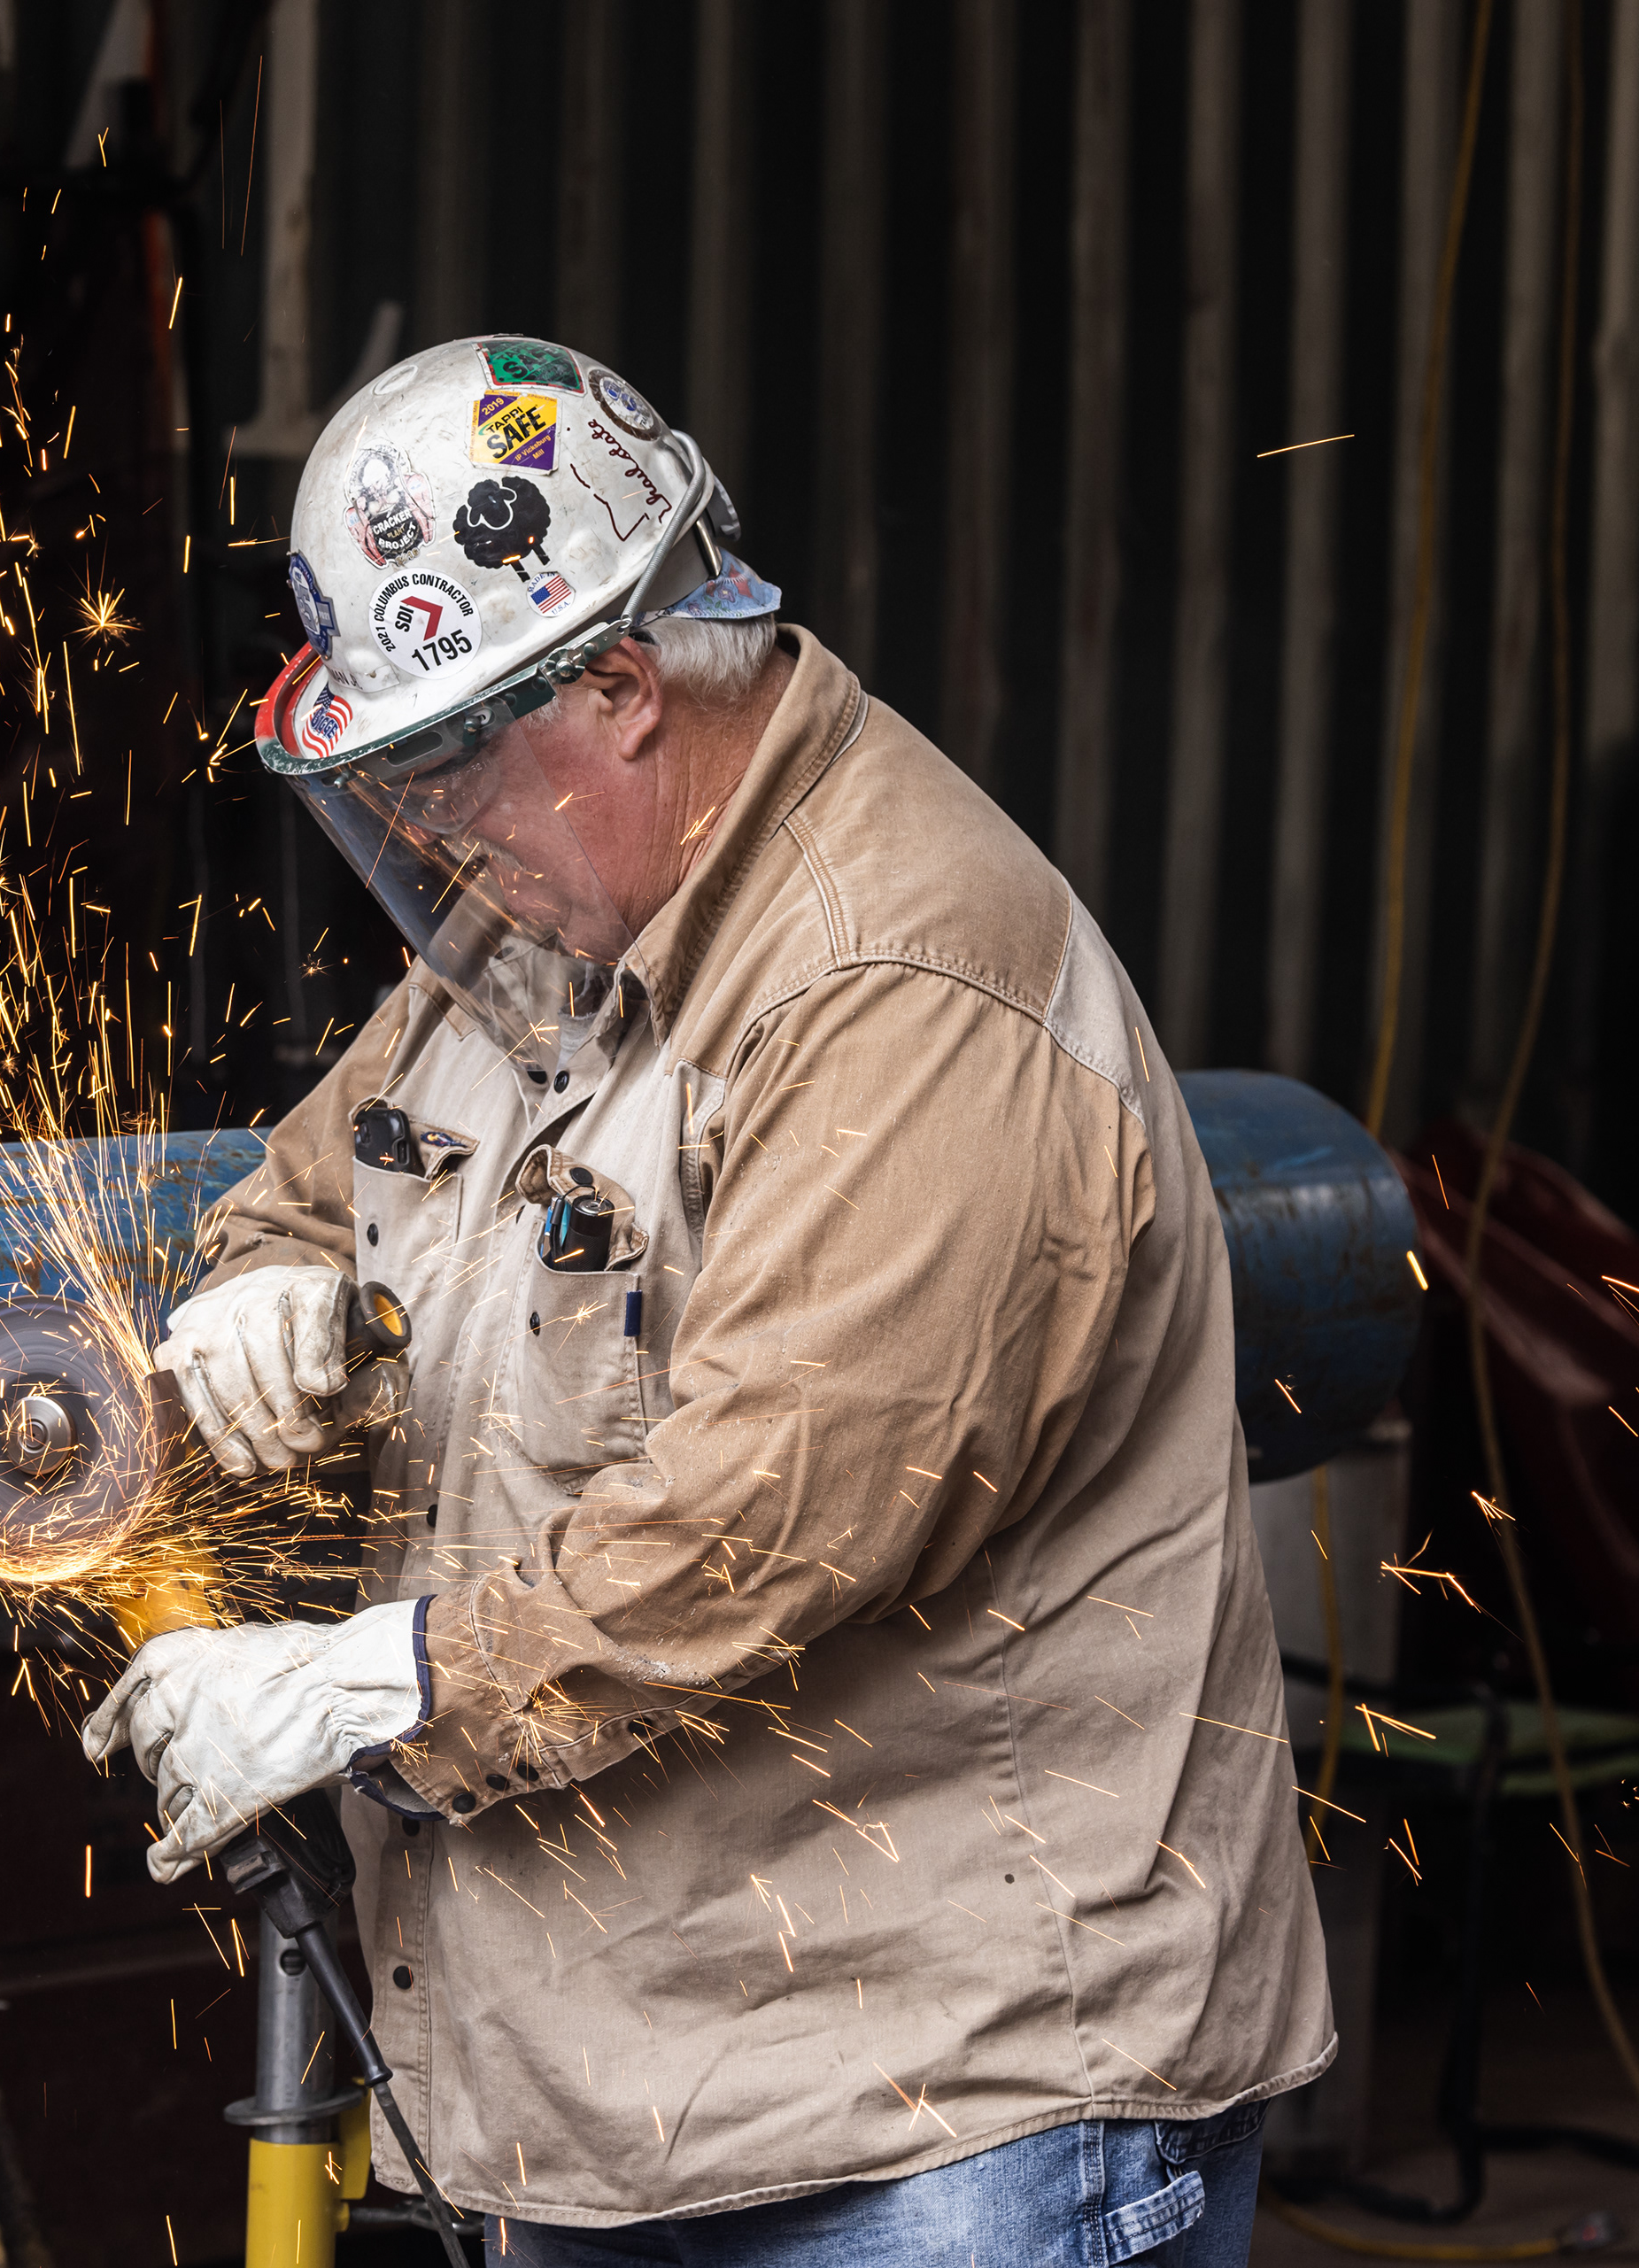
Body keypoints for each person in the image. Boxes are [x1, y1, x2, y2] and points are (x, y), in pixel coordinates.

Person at [88, 337, 1327, 2264]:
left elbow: (780, 1510)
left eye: (445, 771)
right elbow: (315, 1185)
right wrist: (275, 1300)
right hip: (625, 2092)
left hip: (937, 2112)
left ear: (619, 688)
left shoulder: (897, 979)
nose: (423, 837)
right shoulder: (553, 924)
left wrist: (374, 1681)